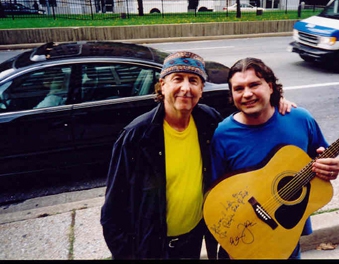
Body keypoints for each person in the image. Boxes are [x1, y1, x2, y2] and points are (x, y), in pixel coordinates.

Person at [100, 51, 296, 259]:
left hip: (191, 242)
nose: (186, 88)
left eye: (194, 80)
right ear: (162, 85)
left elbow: (246, 111)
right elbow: (113, 214)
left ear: (201, 89)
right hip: (149, 248)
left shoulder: (207, 121)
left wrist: (277, 101)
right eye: (178, 79)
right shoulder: (136, 137)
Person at [210, 57, 339, 259]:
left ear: (270, 87)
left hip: (285, 237)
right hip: (242, 241)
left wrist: (330, 170)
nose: (247, 94)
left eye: (254, 85)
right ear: (232, 94)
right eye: (239, 88)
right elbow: (216, 194)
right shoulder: (223, 134)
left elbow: (323, 158)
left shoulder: (300, 119)